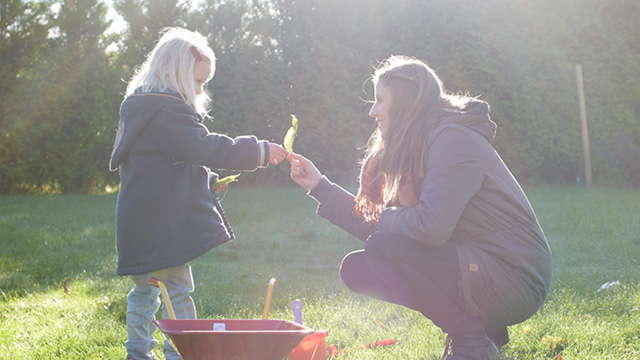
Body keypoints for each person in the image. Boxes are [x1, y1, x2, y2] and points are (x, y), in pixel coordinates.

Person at [288, 55, 552, 360]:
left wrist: (385, 218)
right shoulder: (419, 144)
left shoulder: (453, 140)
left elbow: (429, 228)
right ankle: (479, 332)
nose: (372, 110)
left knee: (383, 247)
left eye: (379, 100)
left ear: (404, 103)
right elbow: (390, 227)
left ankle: (471, 342)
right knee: (358, 269)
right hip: (479, 266)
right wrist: (319, 186)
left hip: (514, 278)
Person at [109, 27, 288, 360]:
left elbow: (166, 164)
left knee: (143, 293)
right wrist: (259, 151)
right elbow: (206, 147)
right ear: (175, 73)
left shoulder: (140, 109)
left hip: (138, 222)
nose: (200, 88)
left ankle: (137, 352)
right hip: (163, 227)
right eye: (198, 81)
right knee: (178, 289)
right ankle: (182, 353)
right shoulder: (168, 111)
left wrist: (202, 182)